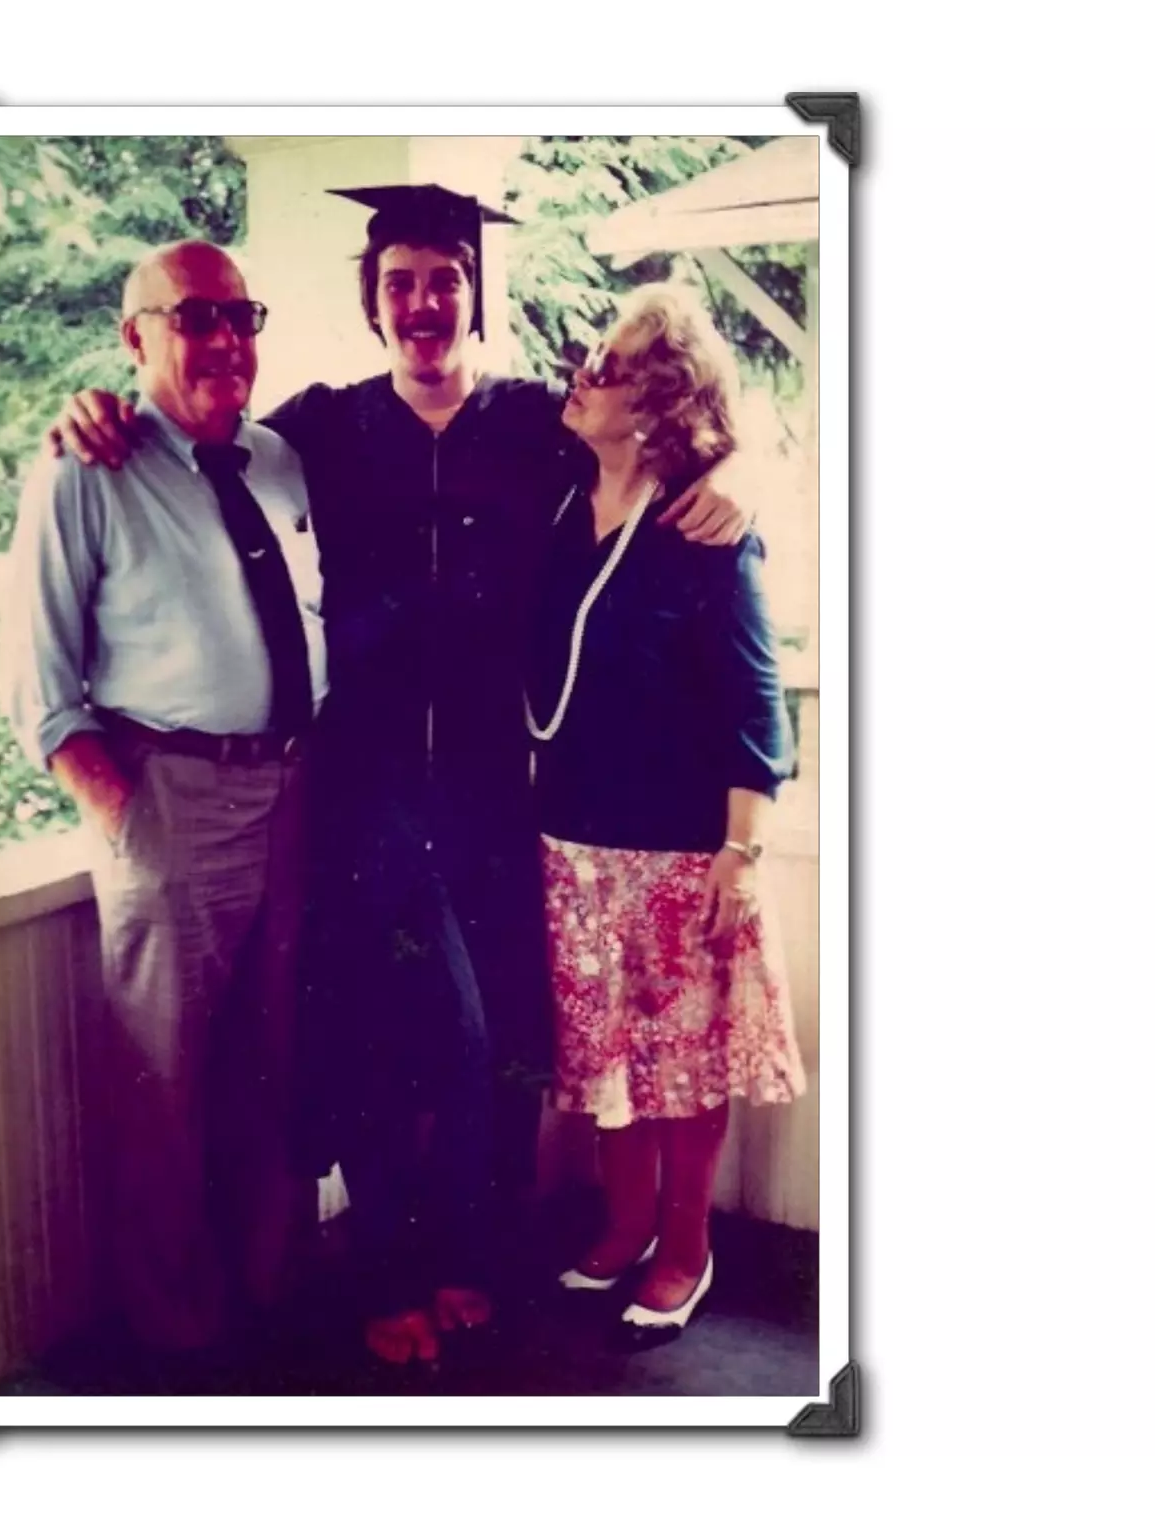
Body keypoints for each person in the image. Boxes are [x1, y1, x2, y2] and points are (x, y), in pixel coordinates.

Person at [46, 185, 760, 1368]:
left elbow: (656, 442)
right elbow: (192, 432)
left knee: (496, 1040)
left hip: (494, 790)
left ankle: (472, 1256)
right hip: (359, 790)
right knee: (377, 1034)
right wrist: (90, 412)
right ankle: (385, 1270)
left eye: (443, 282)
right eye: (398, 285)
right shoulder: (315, 431)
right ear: (371, 306)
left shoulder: (534, 424)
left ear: (472, 297)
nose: (422, 304)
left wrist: (723, 486)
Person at [0, 240, 325, 1376]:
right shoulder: (84, 469)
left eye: (242, 315)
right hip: (170, 799)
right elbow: (37, 687)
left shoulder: (279, 459)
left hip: (293, 790)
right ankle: (181, 1346)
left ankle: (269, 1301)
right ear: (134, 335)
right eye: (195, 317)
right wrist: (123, 808)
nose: (226, 339)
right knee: (164, 1086)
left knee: (273, 1061)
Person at [528, 284, 806, 1349]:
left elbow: (756, 702)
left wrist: (742, 850)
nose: (579, 375)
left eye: (606, 366)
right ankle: (624, 1224)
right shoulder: (560, 500)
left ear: (654, 402)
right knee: (605, 1056)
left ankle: (685, 1245)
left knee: (678, 1068)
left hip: (680, 853)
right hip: (570, 845)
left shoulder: (705, 534)